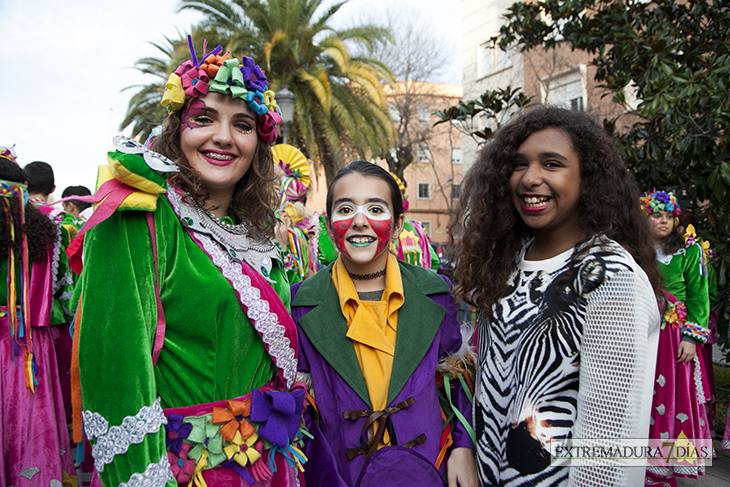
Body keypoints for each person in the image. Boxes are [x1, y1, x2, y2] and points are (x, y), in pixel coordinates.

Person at [73, 39, 306, 486]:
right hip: (187, 474)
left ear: (259, 142)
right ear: (177, 128)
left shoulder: (257, 231)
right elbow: (116, 372)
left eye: (242, 124)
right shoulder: (138, 214)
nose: (223, 136)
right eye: (204, 119)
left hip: (268, 466)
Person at [452, 106, 662, 486]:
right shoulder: (506, 263)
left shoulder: (610, 277)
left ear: (588, 178)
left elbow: (607, 445)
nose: (530, 178)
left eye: (552, 164)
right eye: (519, 164)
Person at [291, 161, 477, 487]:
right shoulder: (301, 303)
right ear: (328, 221)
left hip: (426, 468)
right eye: (346, 208)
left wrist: (462, 445)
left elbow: (457, 379)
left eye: (375, 209)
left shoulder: (435, 293)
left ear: (398, 223)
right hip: (341, 474)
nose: (360, 221)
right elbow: (300, 408)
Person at [0, 149, 77, 486]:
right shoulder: (51, 230)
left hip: (12, 336)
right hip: (33, 339)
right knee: (31, 415)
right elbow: (65, 290)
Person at [640, 190, 712, 485]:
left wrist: (691, 338)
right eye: (656, 215)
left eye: (669, 216)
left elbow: (699, 298)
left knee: (672, 400)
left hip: (672, 340)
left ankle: (665, 467)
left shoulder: (688, 252)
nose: (663, 221)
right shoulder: (633, 250)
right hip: (641, 335)